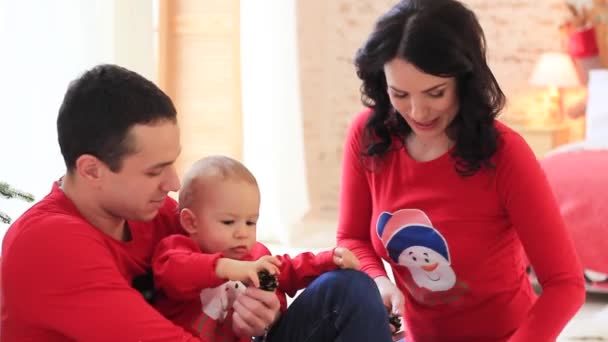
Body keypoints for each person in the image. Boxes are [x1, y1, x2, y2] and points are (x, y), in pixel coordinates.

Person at [1, 64, 394, 341]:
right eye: (154, 171)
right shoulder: (47, 243)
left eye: (172, 164)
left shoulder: (151, 212)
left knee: (348, 290)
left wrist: (267, 309)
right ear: (91, 170)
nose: (172, 183)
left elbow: (242, 255)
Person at [336, 0, 586, 341]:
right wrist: (378, 281)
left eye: (435, 93)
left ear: (464, 79)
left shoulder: (506, 154)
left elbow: (565, 284)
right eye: (400, 94)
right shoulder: (369, 135)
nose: (417, 111)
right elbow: (352, 238)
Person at [152, 155, 360, 341]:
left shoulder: (253, 256)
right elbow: (174, 274)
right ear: (191, 222)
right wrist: (228, 268)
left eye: (251, 222)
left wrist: (328, 260)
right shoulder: (176, 250)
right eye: (228, 222)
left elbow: (289, 268)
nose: (242, 233)